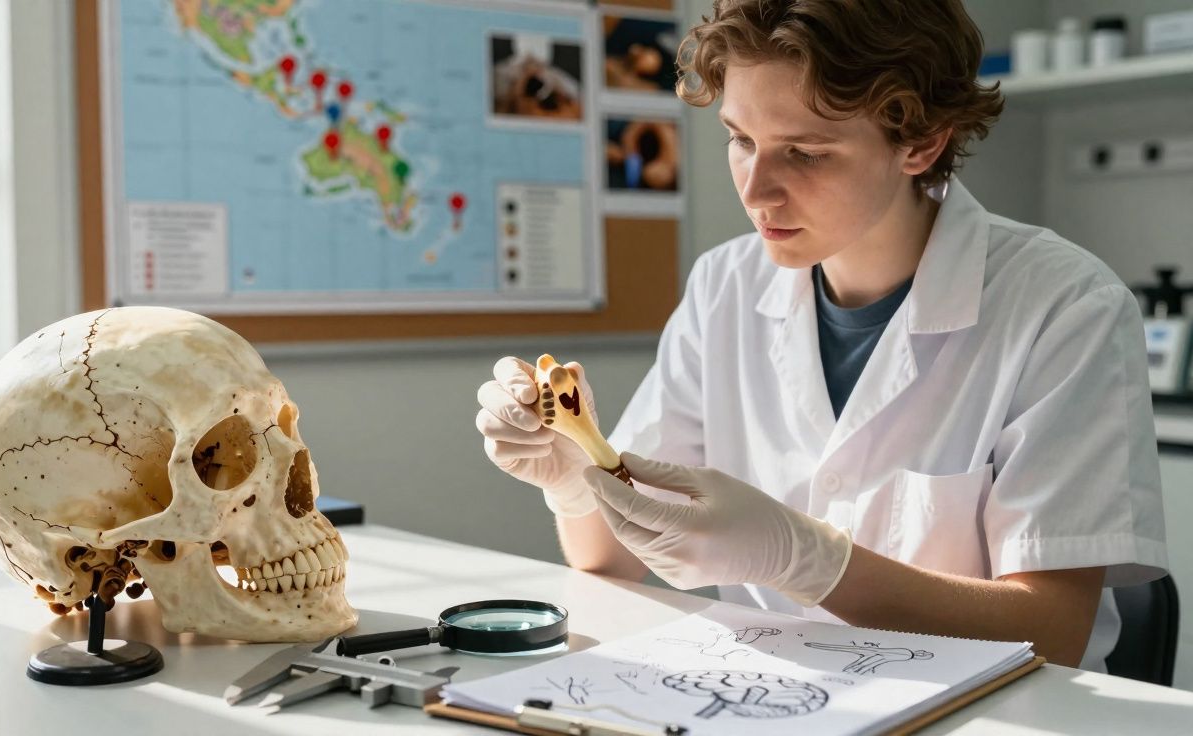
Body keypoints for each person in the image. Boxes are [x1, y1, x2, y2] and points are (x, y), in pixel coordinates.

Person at [476, 0, 1166, 672]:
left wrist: (806, 560)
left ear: (921, 142)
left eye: (804, 153)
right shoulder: (726, 287)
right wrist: (571, 475)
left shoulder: (1066, 307)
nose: (756, 191)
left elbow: (1054, 632)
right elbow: (610, 560)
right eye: (741, 139)